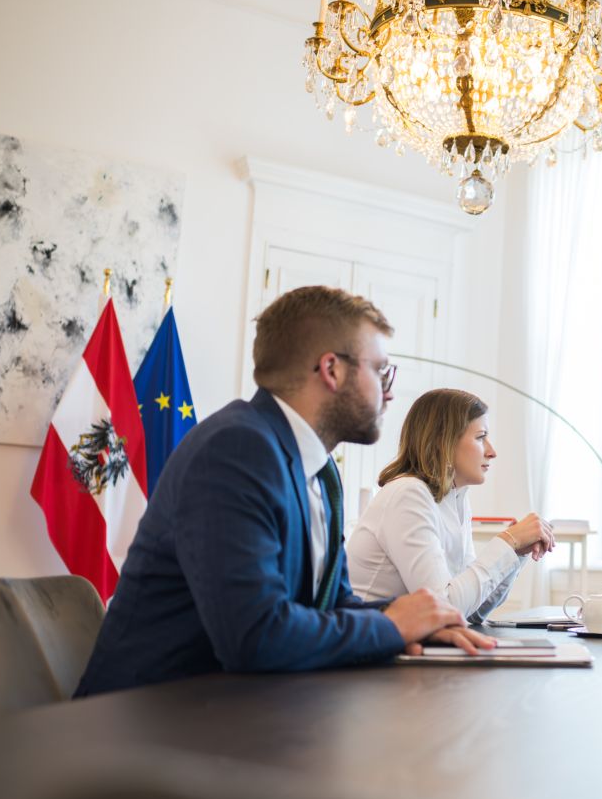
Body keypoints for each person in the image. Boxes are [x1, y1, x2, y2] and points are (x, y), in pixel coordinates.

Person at [76, 286, 493, 697]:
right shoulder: (235, 451)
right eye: (381, 370)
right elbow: (254, 637)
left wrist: (423, 620)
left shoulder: (321, 469)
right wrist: (390, 626)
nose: (389, 391)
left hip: (237, 711)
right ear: (331, 369)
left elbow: (331, 605)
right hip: (145, 719)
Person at [347, 388, 554, 620]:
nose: (492, 451)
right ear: (443, 440)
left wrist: (515, 553)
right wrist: (507, 541)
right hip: (373, 648)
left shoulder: (455, 498)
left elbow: (472, 611)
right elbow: (444, 607)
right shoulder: (408, 493)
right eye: (480, 437)